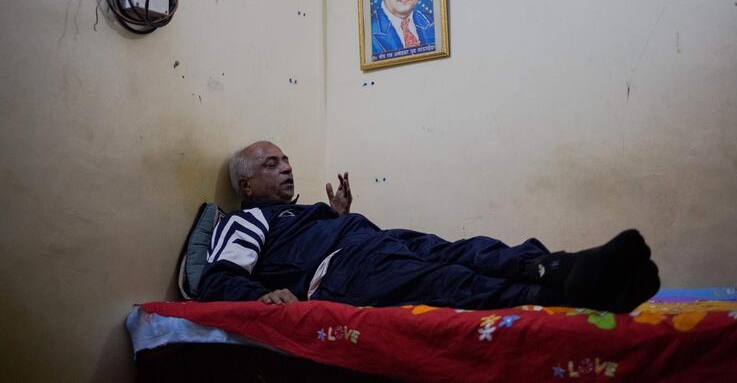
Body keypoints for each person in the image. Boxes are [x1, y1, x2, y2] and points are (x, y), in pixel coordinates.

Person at [198, 141, 660, 312]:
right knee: (445, 281)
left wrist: (336, 218)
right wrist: (261, 296)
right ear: (246, 184)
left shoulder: (300, 214)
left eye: (286, 160)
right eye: (271, 164)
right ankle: (560, 297)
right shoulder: (248, 219)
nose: (285, 168)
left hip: (371, 242)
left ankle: (564, 267)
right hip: (340, 271)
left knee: (468, 250)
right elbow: (219, 278)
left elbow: (299, 245)